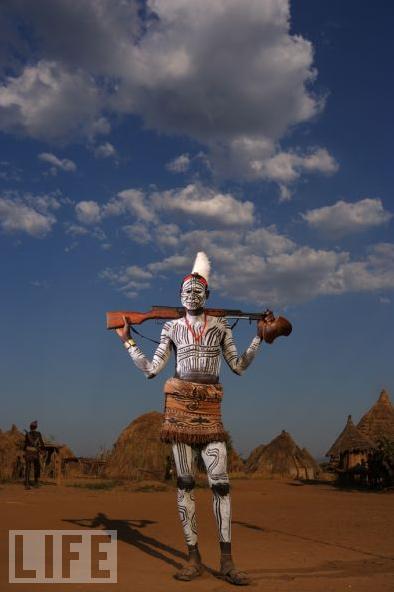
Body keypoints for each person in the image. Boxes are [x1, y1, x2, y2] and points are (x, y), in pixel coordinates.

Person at [116, 252, 269, 585]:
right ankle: (193, 558)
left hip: (210, 409)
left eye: (198, 290)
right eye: (186, 290)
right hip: (179, 411)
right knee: (185, 484)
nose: (191, 295)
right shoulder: (171, 328)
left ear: (208, 297)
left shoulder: (221, 326)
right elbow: (154, 369)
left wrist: (258, 338)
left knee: (222, 485)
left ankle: (226, 562)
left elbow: (239, 366)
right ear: (179, 296)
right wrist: (128, 341)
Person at [24, 420, 45, 490]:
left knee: (28, 467)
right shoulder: (38, 434)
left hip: (28, 452)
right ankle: (36, 483)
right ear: (36, 427)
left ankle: (27, 483)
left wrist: (25, 451)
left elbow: (25, 444)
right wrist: (42, 450)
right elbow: (42, 443)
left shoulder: (27, 434)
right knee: (37, 467)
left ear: (30, 427)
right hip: (35, 453)